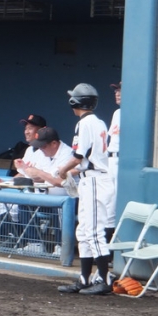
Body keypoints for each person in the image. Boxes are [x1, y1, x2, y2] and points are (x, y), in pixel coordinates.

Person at [57, 83, 115, 295]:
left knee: (93, 232)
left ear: (76, 102)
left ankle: (104, 280)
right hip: (90, 178)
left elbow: (78, 156)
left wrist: (63, 170)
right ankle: (84, 279)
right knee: (83, 231)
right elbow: (85, 160)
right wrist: (71, 172)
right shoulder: (98, 122)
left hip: (94, 181)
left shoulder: (85, 123)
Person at [15, 126, 75, 256]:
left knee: (58, 206)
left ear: (54, 143)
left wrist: (39, 173)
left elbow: (58, 181)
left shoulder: (67, 154)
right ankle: (35, 243)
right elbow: (39, 176)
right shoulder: (43, 154)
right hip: (46, 197)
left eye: (43, 146)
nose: (41, 149)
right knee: (24, 203)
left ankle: (61, 245)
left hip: (69, 200)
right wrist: (25, 169)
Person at [106, 81, 121, 249]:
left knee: (113, 203)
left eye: (121, 90)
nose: (117, 93)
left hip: (121, 160)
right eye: (116, 90)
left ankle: (110, 250)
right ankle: (106, 249)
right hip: (110, 159)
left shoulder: (133, 112)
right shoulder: (117, 113)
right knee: (108, 201)